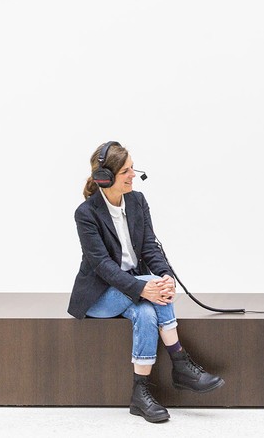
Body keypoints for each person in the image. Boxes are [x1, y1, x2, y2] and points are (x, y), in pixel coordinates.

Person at [68, 141, 225, 423]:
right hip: (100, 296)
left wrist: (165, 277)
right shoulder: (86, 214)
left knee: (146, 312)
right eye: (126, 170)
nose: (133, 175)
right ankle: (180, 362)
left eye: (132, 168)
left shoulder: (137, 201)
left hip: (135, 290)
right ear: (105, 177)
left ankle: (140, 395)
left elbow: (150, 247)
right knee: (149, 292)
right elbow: (101, 266)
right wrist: (144, 286)